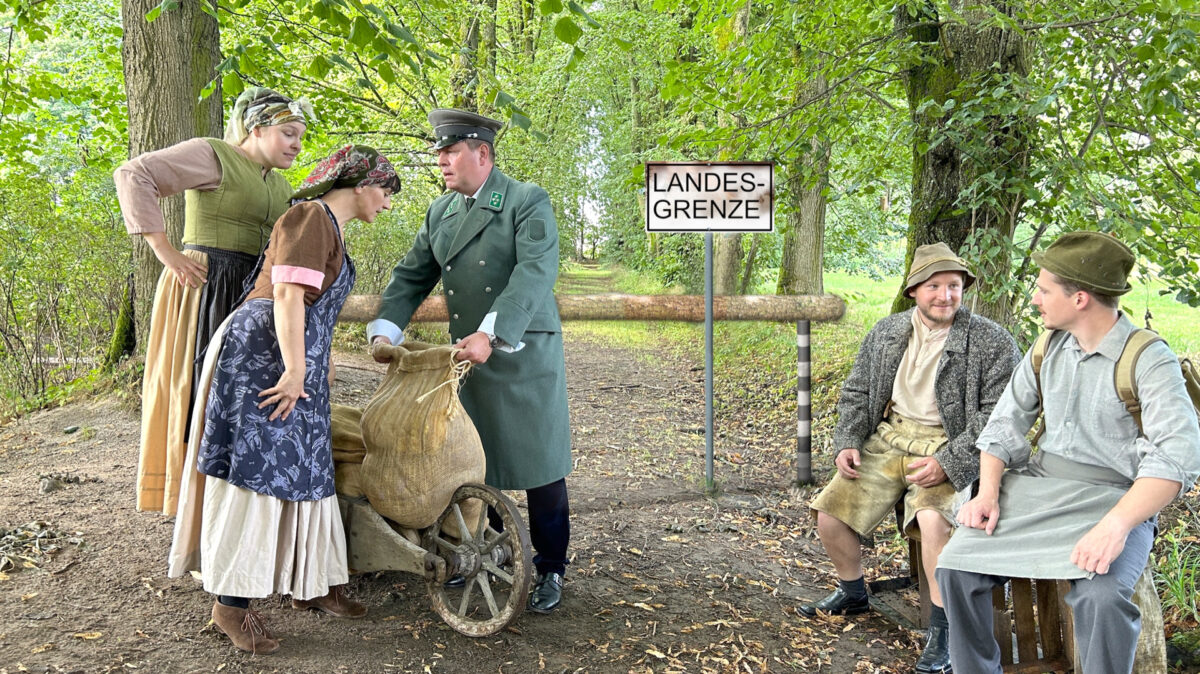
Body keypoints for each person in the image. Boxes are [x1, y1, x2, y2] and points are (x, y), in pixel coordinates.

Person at [168, 145, 400, 654]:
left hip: (293, 357)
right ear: (360, 184)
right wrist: (296, 368)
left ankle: (310, 585)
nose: (386, 202)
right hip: (262, 357)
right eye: (385, 190)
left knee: (308, 470)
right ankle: (230, 605)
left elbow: (310, 304)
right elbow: (288, 294)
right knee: (258, 475)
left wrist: (319, 361)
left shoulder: (329, 228)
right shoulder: (310, 217)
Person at [936, 231, 1200, 673]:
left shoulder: (1147, 358)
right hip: (1040, 490)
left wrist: (1116, 526)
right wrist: (986, 494)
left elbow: (1178, 455)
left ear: (1080, 299)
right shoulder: (1048, 345)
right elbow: (1004, 423)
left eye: (1043, 289)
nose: (1035, 299)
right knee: (956, 568)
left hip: (1114, 498)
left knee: (1101, 596)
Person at [368, 108, 572, 614]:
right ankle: (496, 553)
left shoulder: (526, 201)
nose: (441, 160)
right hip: (468, 361)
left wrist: (492, 331)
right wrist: (384, 332)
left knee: (541, 468)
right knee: (479, 467)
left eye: (450, 151)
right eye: (439, 151)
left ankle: (549, 568)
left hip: (521, 352)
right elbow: (412, 276)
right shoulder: (442, 213)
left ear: (482, 153)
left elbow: (534, 271)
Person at [801, 243, 1020, 673]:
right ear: (914, 291)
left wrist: (951, 462)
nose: (945, 296)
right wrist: (847, 440)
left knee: (935, 523)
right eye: (934, 286)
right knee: (830, 513)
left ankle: (943, 632)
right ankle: (853, 592)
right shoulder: (886, 333)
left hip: (949, 443)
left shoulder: (991, 341)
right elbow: (858, 391)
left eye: (954, 286)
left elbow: (999, 416)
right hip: (890, 437)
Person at [114, 87, 312, 515]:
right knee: (196, 393)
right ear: (257, 129)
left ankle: (232, 502)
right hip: (205, 285)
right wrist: (166, 252)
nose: (297, 144)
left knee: (242, 396)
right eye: (288, 133)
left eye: (300, 136)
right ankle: (192, 502)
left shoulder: (280, 184)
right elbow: (134, 174)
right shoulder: (213, 154)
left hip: (252, 292)